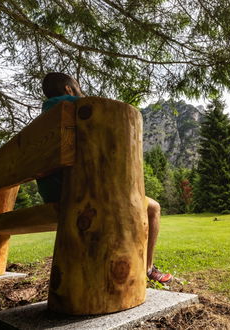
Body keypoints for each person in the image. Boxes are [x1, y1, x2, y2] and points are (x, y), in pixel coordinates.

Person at [37, 72, 172, 284]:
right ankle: (147, 268)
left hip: (52, 194)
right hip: (79, 194)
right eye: (78, 88)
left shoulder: (43, 121)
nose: (82, 92)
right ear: (69, 90)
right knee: (153, 208)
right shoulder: (79, 107)